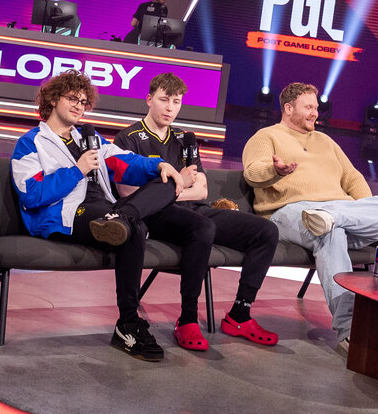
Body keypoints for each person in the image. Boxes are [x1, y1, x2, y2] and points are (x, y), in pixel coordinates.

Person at [11, 70, 184, 361]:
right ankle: (128, 322)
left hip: (106, 209)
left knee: (165, 182)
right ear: (52, 100)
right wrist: (77, 170)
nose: (79, 106)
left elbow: (126, 161)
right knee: (134, 229)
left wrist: (157, 166)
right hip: (66, 213)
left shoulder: (90, 139)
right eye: (72, 99)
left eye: (83, 101)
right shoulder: (31, 142)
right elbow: (31, 194)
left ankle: (122, 217)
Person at [114, 73, 281, 348]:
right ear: (149, 99)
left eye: (176, 102)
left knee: (265, 231)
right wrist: (180, 185)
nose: (170, 108)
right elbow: (128, 194)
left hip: (195, 209)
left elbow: (202, 190)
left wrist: (167, 189)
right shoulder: (127, 138)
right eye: (164, 100)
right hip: (155, 216)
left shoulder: (184, 139)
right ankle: (188, 319)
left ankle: (240, 314)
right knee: (202, 228)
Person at [241, 83, 378, 355]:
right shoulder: (266, 136)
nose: (315, 113)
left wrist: (361, 211)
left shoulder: (325, 141)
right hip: (290, 211)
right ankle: (350, 330)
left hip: (337, 211)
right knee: (329, 233)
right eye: (308, 107)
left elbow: (352, 178)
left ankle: (332, 217)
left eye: (316, 107)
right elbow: (252, 172)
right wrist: (275, 170)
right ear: (288, 108)